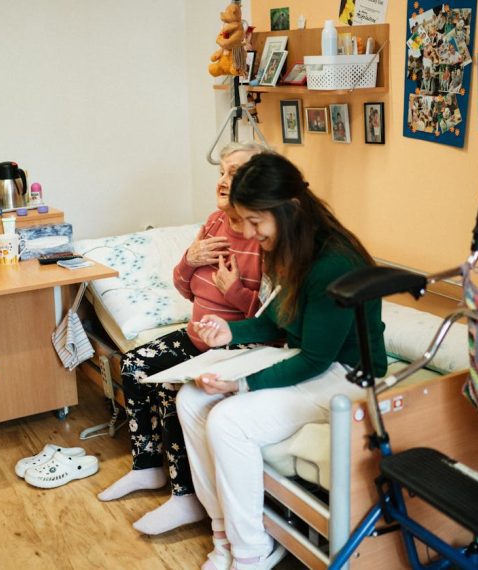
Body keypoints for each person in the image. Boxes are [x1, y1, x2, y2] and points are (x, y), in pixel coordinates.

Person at [176, 153, 387, 570]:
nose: (251, 234)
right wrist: (229, 332)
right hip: (312, 362)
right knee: (190, 400)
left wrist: (240, 386)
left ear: (288, 208)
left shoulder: (334, 263)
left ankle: (251, 553)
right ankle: (224, 535)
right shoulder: (294, 246)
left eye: (256, 222)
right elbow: (277, 317)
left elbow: (313, 361)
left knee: (227, 419)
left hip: (349, 376)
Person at [97, 142, 267, 536]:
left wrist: (235, 291)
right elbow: (184, 289)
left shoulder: (263, 236)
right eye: (222, 172)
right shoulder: (213, 222)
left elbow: (267, 319)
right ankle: (146, 466)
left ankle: (184, 494)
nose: (223, 181)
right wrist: (190, 260)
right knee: (135, 365)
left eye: (235, 173)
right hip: (196, 335)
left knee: (171, 387)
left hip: (235, 343)